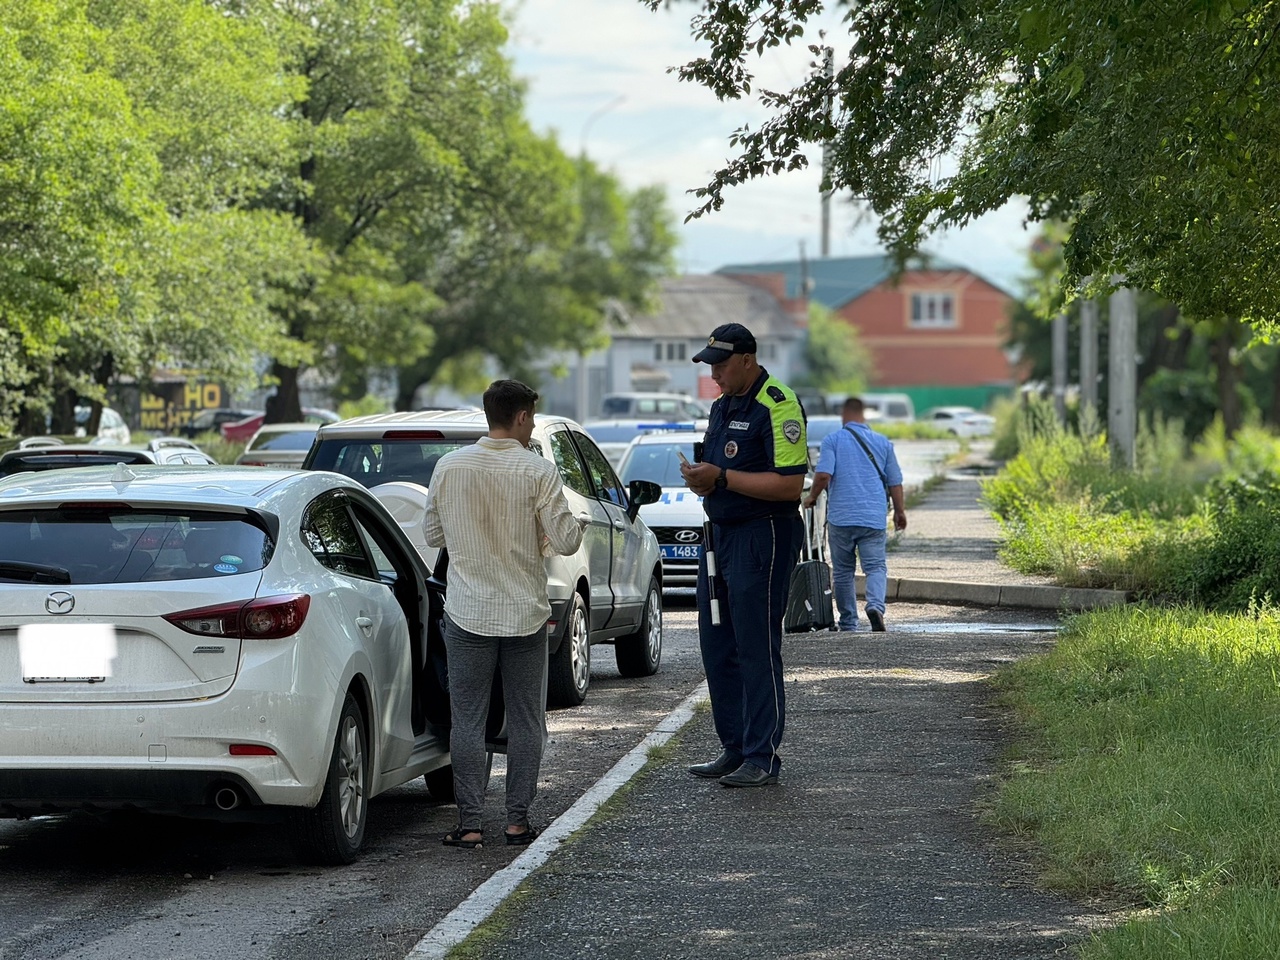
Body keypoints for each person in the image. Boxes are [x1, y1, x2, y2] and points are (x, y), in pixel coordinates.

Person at [423, 379, 586, 848]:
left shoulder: (449, 467)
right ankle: (517, 821)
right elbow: (568, 540)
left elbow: (434, 534)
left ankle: (470, 824)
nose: (532, 424)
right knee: (526, 719)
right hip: (524, 614)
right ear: (519, 417)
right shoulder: (537, 472)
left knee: (467, 719)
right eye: (531, 417)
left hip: (468, 612)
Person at [680, 323, 807, 787]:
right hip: (720, 534)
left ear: (748, 360)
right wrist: (702, 478)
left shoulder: (778, 403)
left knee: (756, 646)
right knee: (718, 646)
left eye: (721, 364)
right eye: (710, 365)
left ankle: (762, 755)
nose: (714, 374)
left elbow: (790, 484)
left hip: (763, 533)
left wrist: (723, 479)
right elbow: (720, 470)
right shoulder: (721, 406)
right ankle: (733, 747)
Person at [802, 396, 908, 632]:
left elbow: (822, 475)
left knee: (842, 572)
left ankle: (849, 621)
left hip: (841, 518)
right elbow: (895, 483)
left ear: (843, 415)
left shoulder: (833, 440)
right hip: (872, 517)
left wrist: (811, 498)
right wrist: (900, 512)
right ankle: (876, 607)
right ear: (863, 415)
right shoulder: (883, 443)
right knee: (876, 567)